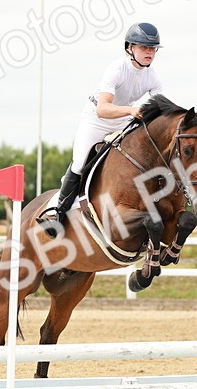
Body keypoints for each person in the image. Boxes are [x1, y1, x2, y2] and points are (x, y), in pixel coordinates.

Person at [37, 22, 164, 236]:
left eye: (152, 49)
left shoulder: (153, 77)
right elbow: (103, 109)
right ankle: (56, 213)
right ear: (130, 48)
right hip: (97, 119)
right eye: (144, 48)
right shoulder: (117, 69)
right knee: (79, 163)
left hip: (124, 119)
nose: (149, 52)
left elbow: (161, 111)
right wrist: (132, 110)